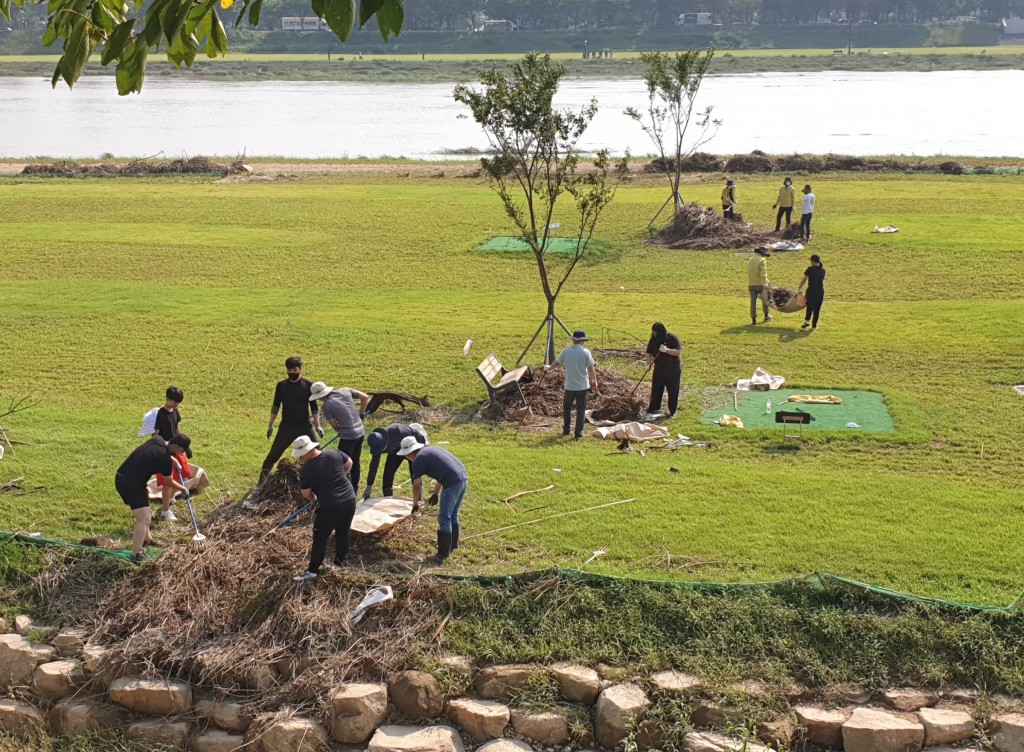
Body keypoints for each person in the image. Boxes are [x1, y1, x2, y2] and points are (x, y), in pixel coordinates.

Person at [116, 434, 192, 564]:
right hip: (130, 483)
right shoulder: (164, 460)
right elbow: (168, 481)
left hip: (127, 477)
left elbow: (164, 453)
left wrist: (176, 462)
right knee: (144, 519)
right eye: (181, 451)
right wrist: (183, 489)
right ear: (176, 447)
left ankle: (148, 540)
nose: (181, 454)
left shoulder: (158, 440)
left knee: (145, 513)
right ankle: (136, 555)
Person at [291, 436, 358, 582]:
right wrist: (342, 476)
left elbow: (306, 493)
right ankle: (339, 563)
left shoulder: (308, 469)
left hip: (329, 505)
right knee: (343, 532)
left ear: (307, 451)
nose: (301, 458)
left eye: (301, 455)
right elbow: (349, 463)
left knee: (320, 537)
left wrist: (315, 500)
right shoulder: (334, 453)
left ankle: (313, 570)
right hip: (349, 499)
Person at [398, 436, 468, 564]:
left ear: (409, 453)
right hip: (463, 478)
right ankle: (453, 545)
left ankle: (442, 555)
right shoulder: (431, 450)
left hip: (452, 482)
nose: (406, 458)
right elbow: (442, 472)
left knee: (444, 517)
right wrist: (435, 493)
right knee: (453, 514)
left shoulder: (418, 460)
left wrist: (415, 504)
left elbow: (416, 485)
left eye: (405, 455)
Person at [258, 357, 322, 484]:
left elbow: (314, 408)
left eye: (295, 369)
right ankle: (260, 485)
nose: (292, 372)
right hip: (286, 427)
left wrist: (318, 426)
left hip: (305, 426)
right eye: (289, 370)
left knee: (319, 454)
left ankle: (321, 481)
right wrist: (270, 424)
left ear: (300, 369)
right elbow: (276, 406)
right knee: (272, 456)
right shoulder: (281, 386)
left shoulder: (308, 385)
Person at [309, 381, 369, 491]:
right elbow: (365, 397)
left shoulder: (327, 406)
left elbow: (335, 427)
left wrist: (340, 430)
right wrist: (361, 414)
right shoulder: (345, 390)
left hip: (347, 438)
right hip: (360, 433)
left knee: (344, 464)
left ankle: (347, 489)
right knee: (355, 461)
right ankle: (355, 488)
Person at [549, 330, 598, 440]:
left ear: (573, 340)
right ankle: (578, 433)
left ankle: (566, 430)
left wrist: (549, 369)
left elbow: (557, 363)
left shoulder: (566, 351)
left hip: (569, 386)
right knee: (581, 410)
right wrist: (594, 380)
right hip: (583, 386)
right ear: (582, 341)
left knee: (567, 408)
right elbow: (591, 368)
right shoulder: (586, 352)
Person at [362, 422, 428, 500]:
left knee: (415, 475)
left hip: (412, 448)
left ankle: (418, 501)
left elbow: (420, 438)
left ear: (385, 442)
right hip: (395, 452)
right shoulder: (376, 443)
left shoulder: (398, 431)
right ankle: (388, 499)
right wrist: (369, 486)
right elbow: (374, 466)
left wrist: (419, 453)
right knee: (388, 474)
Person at [152, 386, 186, 521]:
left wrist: (182, 441)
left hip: (175, 448)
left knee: (179, 473)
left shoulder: (175, 411)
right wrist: (158, 447)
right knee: (167, 481)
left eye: (178, 403)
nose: (176, 405)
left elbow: (177, 427)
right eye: (175, 402)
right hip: (166, 449)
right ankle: (165, 510)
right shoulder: (161, 414)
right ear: (167, 399)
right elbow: (156, 434)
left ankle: (171, 498)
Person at [645, 322, 682, 417]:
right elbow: (648, 353)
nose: (653, 334)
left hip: (672, 370)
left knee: (673, 391)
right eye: (653, 332)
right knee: (656, 390)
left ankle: (672, 411)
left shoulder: (672, 338)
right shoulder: (653, 340)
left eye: (655, 332)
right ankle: (654, 408)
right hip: (659, 370)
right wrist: (648, 364)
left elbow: (678, 352)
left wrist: (666, 350)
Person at [798, 254, 827, 331]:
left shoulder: (810, 269)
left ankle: (807, 321)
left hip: (811, 290)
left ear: (812, 261)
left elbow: (804, 280)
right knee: (817, 309)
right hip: (820, 291)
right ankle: (814, 326)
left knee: (809, 306)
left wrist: (799, 288)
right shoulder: (823, 270)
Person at [747, 246, 772, 325]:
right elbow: (763, 273)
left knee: (753, 302)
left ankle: (753, 320)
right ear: (762, 253)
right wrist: (765, 283)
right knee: (765, 299)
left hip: (751, 284)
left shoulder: (750, 260)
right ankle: (766, 315)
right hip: (760, 283)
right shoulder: (762, 260)